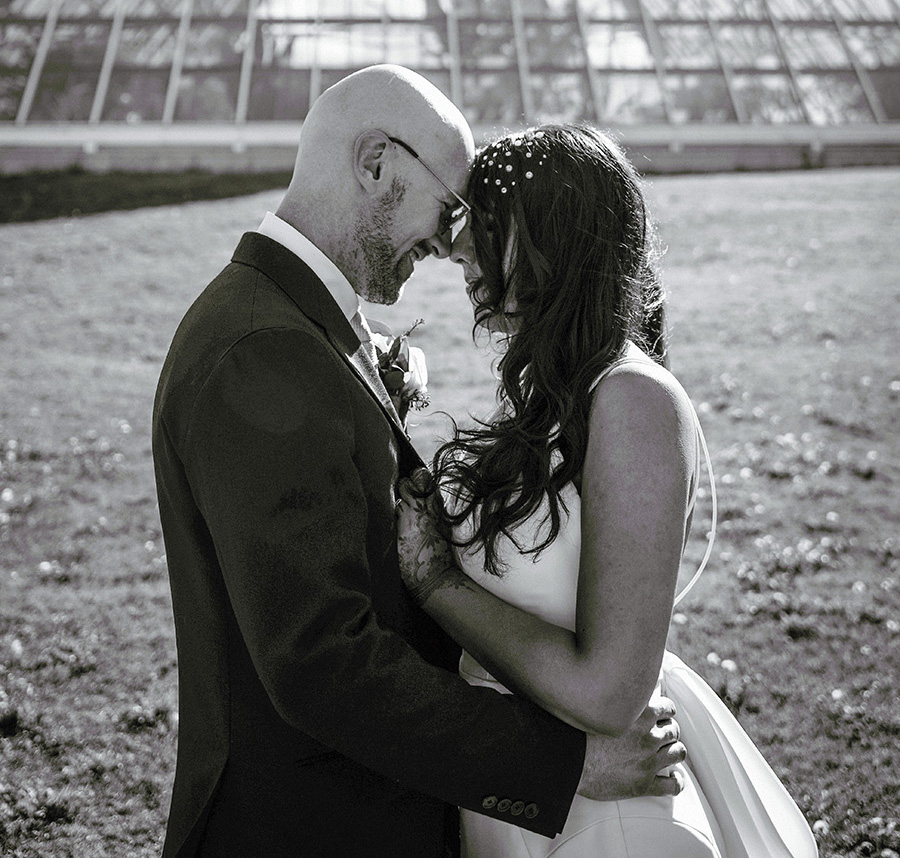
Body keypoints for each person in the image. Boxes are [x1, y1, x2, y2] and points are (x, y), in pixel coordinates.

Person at [152, 68, 687, 858]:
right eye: (449, 209)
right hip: (305, 829)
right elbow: (321, 662)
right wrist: (557, 764)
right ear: (376, 165)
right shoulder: (262, 352)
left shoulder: (301, 326)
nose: (450, 245)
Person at [397, 124, 819, 857]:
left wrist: (437, 583)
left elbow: (609, 692)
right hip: (536, 791)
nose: (458, 249)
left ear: (554, 235)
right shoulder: (554, 396)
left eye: (485, 222)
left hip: (609, 821)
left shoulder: (632, 400)